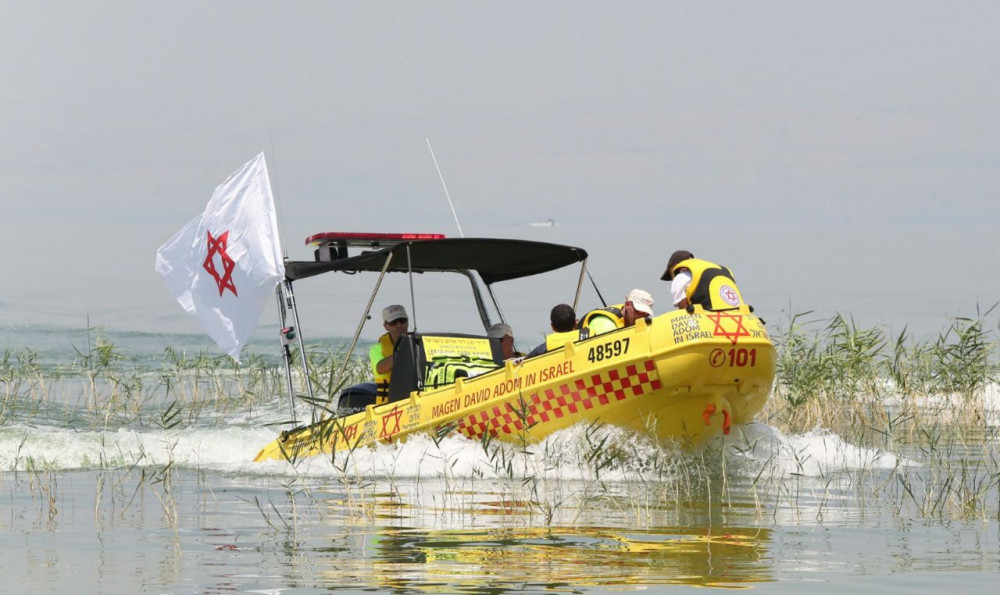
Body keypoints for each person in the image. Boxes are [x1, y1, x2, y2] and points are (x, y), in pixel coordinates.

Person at [660, 250, 744, 311]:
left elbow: (683, 310)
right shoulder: (717, 270)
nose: (673, 279)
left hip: (708, 319)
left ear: (675, 266)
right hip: (737, 316)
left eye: (671, 274)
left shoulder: (680, 277)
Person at [369, 304, 409, 404]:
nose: (399, 325)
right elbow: (380, 368)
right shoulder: (377, 349)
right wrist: (402, 352)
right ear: (386, 326)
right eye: (393, 322)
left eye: (402, 320)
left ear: (407, 322)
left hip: (413, 402)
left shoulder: (418, 345)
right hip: (386, 405)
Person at [578, 289, 654, 338]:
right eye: (639, 311)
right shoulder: (606, 324)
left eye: (646, 314)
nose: (642, 317)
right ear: (627, 305)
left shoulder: (627, 315)